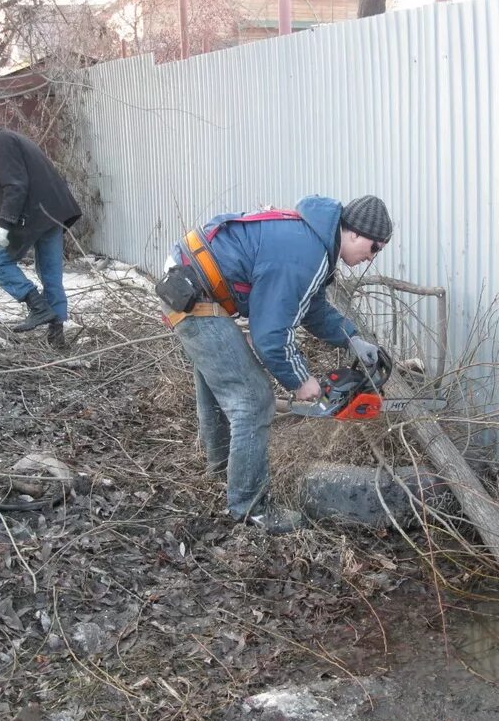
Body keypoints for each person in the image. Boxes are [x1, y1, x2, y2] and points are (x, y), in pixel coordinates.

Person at [158, 195, 393, 533]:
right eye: (374, 248)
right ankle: (251, 507)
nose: (371, 258)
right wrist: (300, 380)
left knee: (219, 379)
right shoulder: (306, 253)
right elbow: (270, 335)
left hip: (191, 281)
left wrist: (352, 337)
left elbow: (311, 308)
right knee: (254, 401)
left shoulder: (312, 241)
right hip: (191, 292)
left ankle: (223, 465)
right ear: (355, 233)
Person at [0, 111, 82, 349]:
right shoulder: (10, 138)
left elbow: (16, 185)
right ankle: (57, 340)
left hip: (34, 216)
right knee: (51, 275)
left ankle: (37, 307)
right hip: (51, 214)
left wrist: (5, 223)